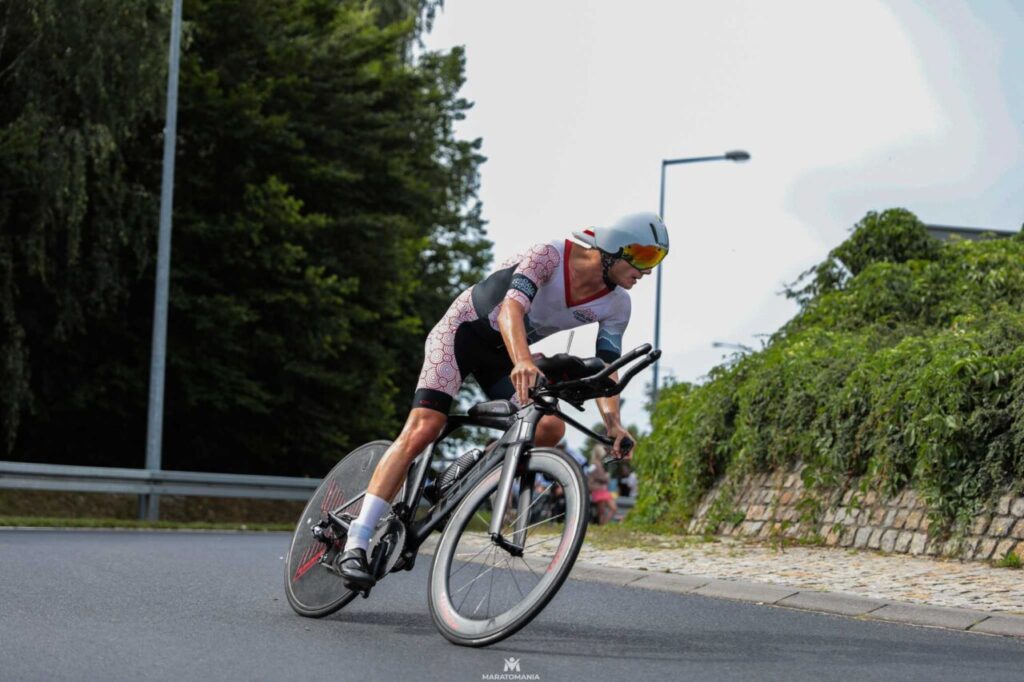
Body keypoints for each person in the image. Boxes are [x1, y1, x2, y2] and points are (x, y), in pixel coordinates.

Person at [337, 212, 670, 588]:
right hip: (463, 333)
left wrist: (612, 423)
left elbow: (608, 370)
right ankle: (357, 541)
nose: (647, 270)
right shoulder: (549, 254)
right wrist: (524, 360)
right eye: (643, 256)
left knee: (548, 427)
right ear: (612, 248)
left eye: (656, 260)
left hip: (507, 355)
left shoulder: (617, 305)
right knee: (425, 427)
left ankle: (470, 466)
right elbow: (512, 308)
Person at [588, 450, 617, 525]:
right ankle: (603, 525)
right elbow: (602, 477)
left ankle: (603, 524)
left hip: (600, 490)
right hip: (599, 490)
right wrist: (607, 476)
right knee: (604, 511)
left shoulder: (594, 465)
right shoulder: (596, 465)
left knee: (604, 511)